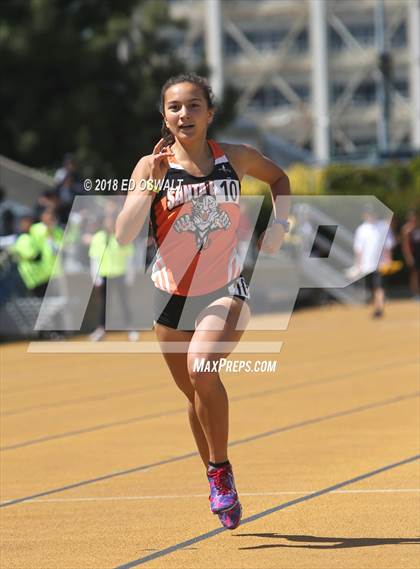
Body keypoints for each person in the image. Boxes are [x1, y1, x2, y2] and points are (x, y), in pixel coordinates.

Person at [115, 73, 290, 530]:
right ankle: (215, 473)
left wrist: (280, 225)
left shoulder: (235, 158)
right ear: (164, 117)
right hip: (170, 296)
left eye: (194, 106)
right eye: (174, 107)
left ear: (210, 113)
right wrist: (148, 187)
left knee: (201, 366)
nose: (184, 114)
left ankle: (220, 471)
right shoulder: (150, 167)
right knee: (195, 397)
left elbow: (281, 179)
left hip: (225, 289)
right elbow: (124, 233)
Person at [89, 213, 139, 341]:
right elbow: (94, 258)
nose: (110, 224)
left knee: (124, 302)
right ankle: (101, 329)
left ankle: (130, 328)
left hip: (120, 274)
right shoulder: (98, 237)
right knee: (104, 304)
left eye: (112, 221)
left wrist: (130, 275)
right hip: (105, 275)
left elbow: (129, 257)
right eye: (108, 221)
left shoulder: (122, 236)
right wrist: (96, 277)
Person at [353, 205, 388, 318]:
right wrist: (358, 264)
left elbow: (386, 245)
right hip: (366, 265)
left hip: (379, 263)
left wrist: (388, 258)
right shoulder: (361, 230)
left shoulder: (382, 227)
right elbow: (359, 249)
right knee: (372, 287)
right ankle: (377, 306)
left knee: (379, 286)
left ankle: (379, 308)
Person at [401, 209, 420, 300]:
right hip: (412, 254)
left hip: (418, 252)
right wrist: (408, 256)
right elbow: (405, 244)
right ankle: (415, 293)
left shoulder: (417, 227)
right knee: (414, 274)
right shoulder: (406, 229)